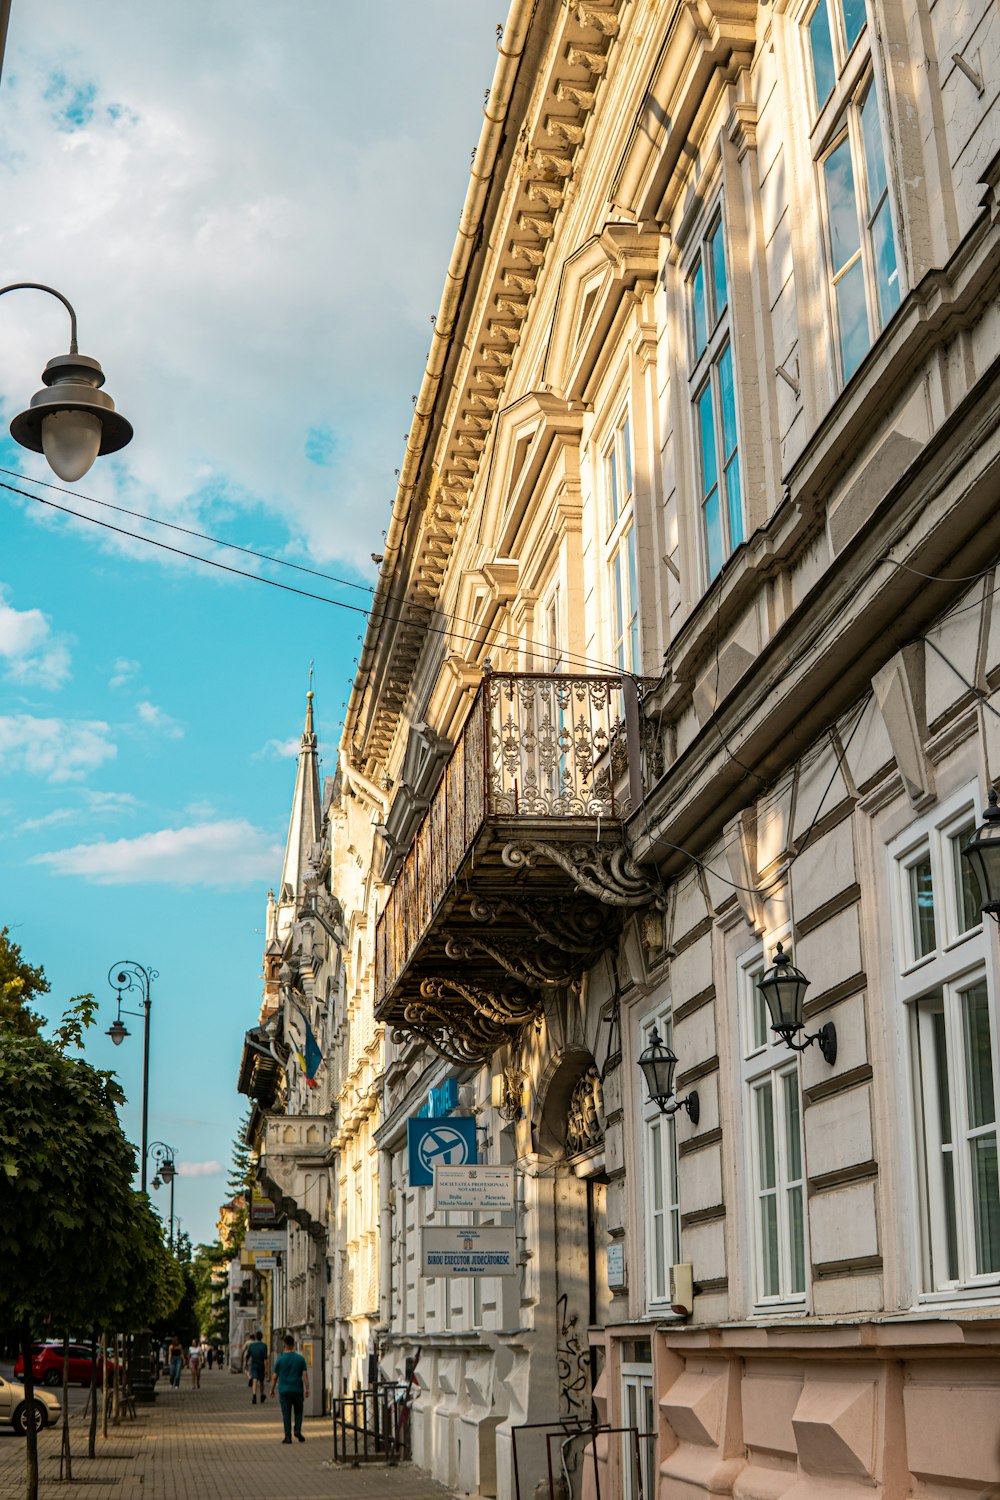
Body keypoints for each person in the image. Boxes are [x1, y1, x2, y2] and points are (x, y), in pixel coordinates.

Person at [269, 1332, 309, 1444]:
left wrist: (272, 1389)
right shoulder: (300, 1359)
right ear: (294, 1345)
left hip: (284, 1391)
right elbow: (305, 1374)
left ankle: (288, 1436)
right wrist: (307, 1388)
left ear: (284, 1345)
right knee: (298, 1411)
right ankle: (297, 1430)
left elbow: (275, 1377)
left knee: (286, 1414)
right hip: (297, 1390)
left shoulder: (280, 1360)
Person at [244, 1329, 268, 1405]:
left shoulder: (251, 1346)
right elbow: (265, 1359)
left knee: (254, 1379)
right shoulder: (264, 1346)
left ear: (256, 1337)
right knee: (261, 1381)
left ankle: (254, 1395)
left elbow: (247, 1356)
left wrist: (246, 1364)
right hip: (261, 1366)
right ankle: (261, 1395)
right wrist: (267, 1369)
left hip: (254, 1365)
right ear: (262, 1337)